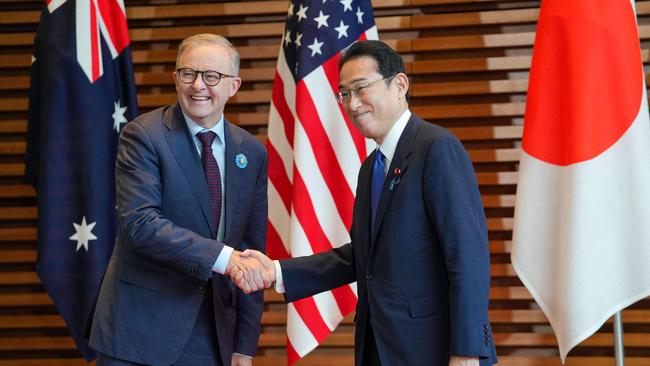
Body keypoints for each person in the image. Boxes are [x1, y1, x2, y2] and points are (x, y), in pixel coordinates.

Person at [235, 40, 498, 366]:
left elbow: (467, 258)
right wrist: (274, 271)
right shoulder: (370, 167)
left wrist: (468, 351)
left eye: (361, 88)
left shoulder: (436, 148)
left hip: (437, 351)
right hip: (379, 349)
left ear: (399, 84)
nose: (352, 103)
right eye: (344, 94)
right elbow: (361, 259)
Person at [89, 34, 271, 366]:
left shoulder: (252, 153)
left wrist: (245, 345)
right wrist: (225, 258)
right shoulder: (143, 135)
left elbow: (251, 248)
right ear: (175, 78)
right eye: (188, 73)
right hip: (140, 333)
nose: (198, 85)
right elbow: (141, 225)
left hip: (214, 336)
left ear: (234, 85)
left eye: (212, 76)